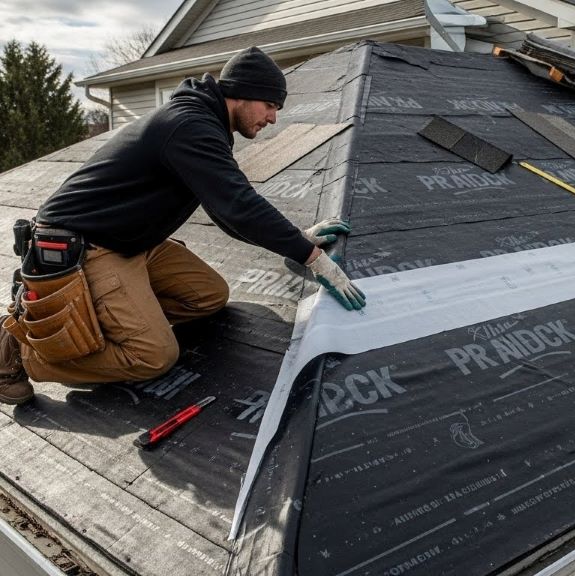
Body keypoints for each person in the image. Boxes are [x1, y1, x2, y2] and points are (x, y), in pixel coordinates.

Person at [0, 46, 364, 405]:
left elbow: (226, 211)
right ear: (240, 93)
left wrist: (295, 239)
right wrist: (310, 256)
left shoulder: (204, 124)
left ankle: (110, 318)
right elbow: (239, 205)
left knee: (207, 295)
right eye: (269, 105)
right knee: (153, 355)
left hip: (132, 241)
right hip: (87, 245)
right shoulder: (189, 125)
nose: (272, 118)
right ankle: (23, 351)